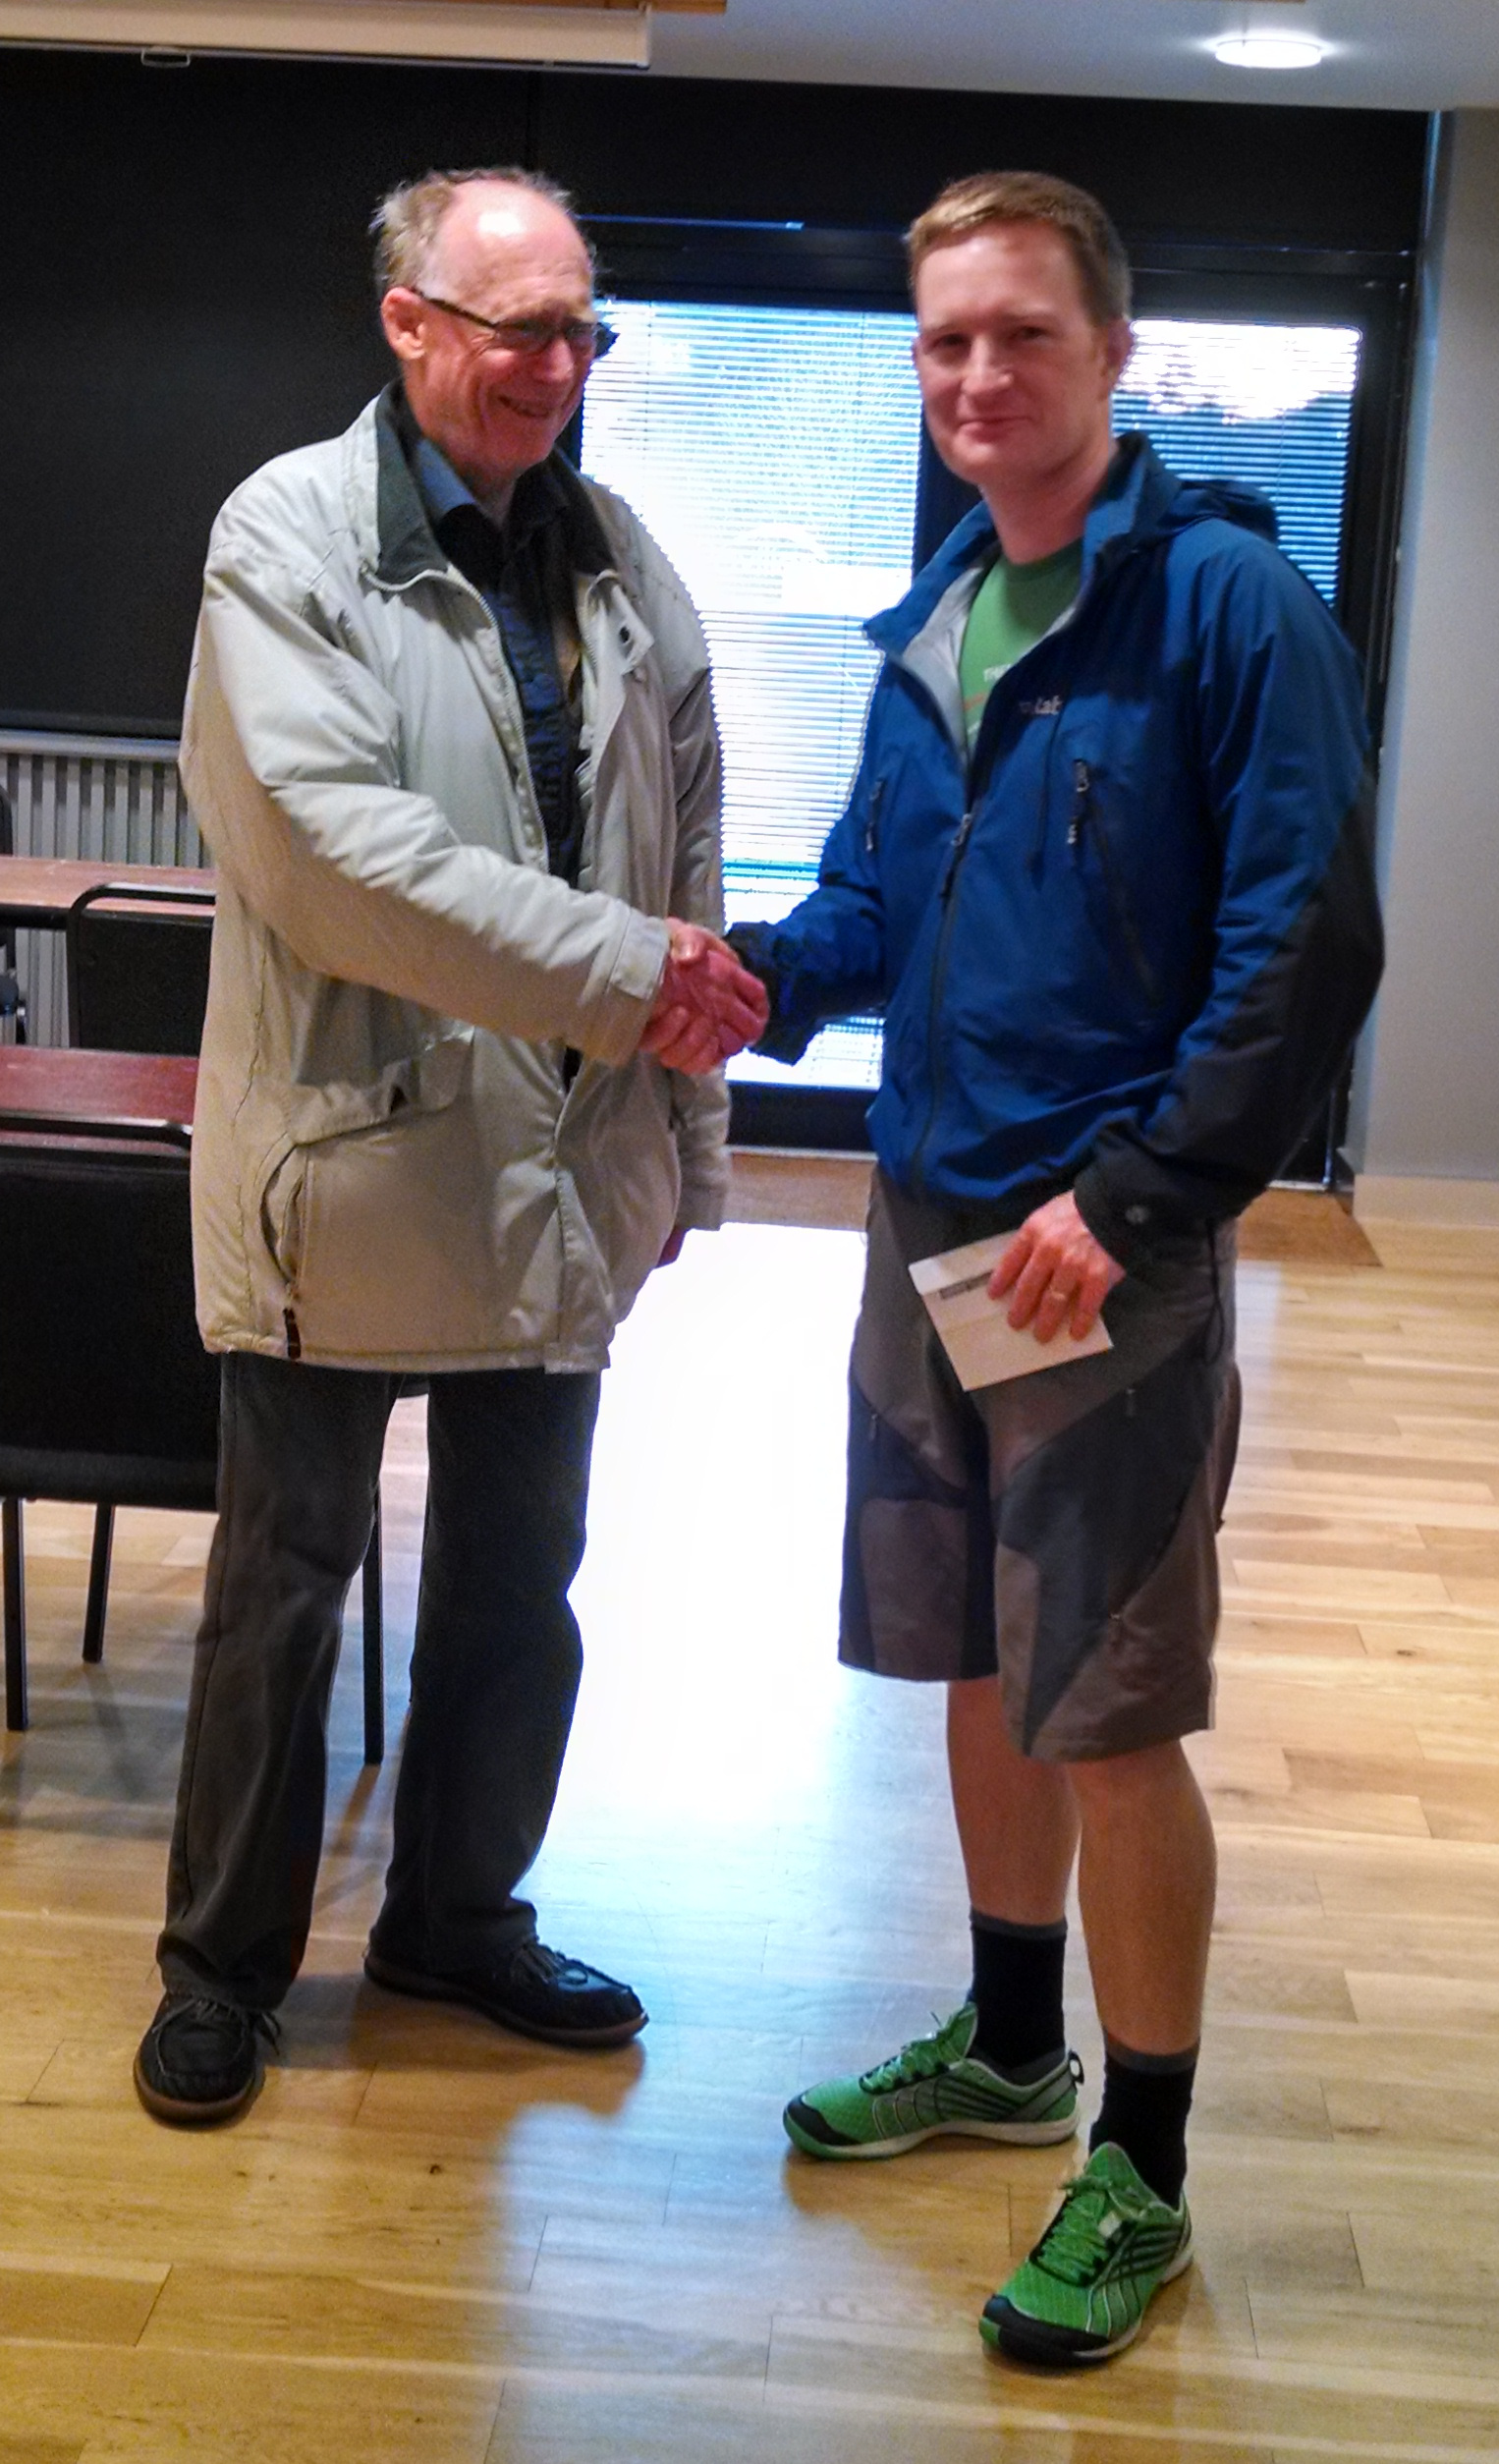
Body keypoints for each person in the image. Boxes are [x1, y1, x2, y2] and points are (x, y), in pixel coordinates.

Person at [728, 171, 1383, 2367]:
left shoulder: (1224, 610)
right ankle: (1012, 2049)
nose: (978, 375)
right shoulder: (942, 608)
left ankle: (1148, 2170)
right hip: (927, 1224)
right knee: (974, 1663)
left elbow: (1304, 950)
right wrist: (760, 977)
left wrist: (1130, 1200)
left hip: (1095, 1255)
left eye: (1021, 334)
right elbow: (875, 898)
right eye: (945, 342)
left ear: (1112, 351)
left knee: (1108, 1711)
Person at [134, 167, 767, 2127]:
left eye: (582, 329)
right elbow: (337, 861)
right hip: (346, 1165)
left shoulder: (620, 552)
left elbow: (686, 849)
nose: (558, 367)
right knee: (284, 1589)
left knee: (518, 1583)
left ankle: (458, 1918)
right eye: (518, 329)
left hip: (566, 1161)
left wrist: (693, 1144)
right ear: (406, 322)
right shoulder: (287, 534)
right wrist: (632, 978)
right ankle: (222, 1970)